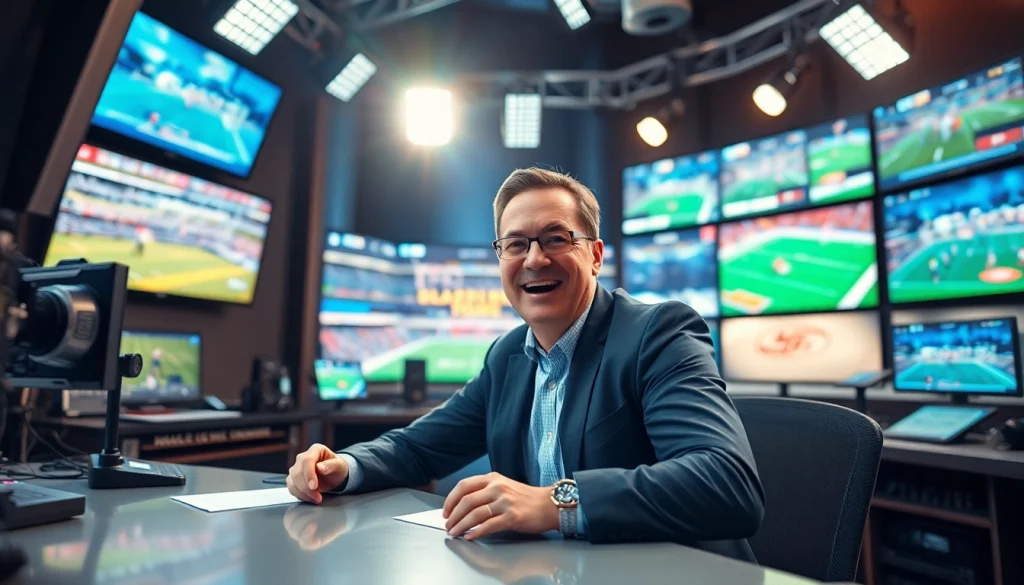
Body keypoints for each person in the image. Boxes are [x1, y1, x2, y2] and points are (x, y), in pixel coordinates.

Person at [286, 168, 764, 560]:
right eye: (515, 244)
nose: (534, 259)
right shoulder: (507, 356)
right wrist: (344, 466)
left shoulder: (657, 334)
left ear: (595, 256)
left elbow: (726, 483)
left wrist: (556, 502)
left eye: (556, 238)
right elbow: (418, 449)